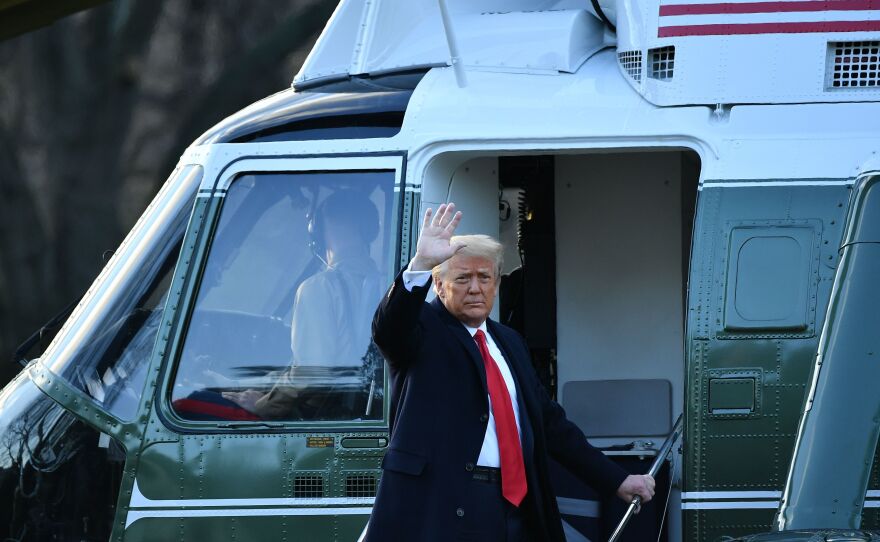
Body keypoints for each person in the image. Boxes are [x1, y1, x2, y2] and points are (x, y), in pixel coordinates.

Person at [367, 202, 654, 541]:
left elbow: (551, 425)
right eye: (462, 278)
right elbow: (389, 329)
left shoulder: (509, 342)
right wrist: (420, 265)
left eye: (484, 277)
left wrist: (616, 479)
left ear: (496, 284)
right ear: (439, 286)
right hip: (445, 506)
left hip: (516, 505)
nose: (475, 288)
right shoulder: (423, 329)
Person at [224, 189, 384, 420]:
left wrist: (263, 405)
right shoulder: (386, 286)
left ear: (319, 231)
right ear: (370, 231)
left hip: (321, 417)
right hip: (363, 409)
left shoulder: (318, 288)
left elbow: (312, 373)